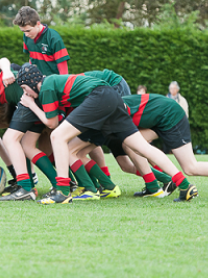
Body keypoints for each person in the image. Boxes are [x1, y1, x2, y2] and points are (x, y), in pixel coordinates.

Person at [17, 65, 198, 204]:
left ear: (32, 83)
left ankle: (62, 192)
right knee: (142, 147)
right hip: (111, 97)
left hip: (100, 96)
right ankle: (184, 185)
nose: (27, 94)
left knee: (57, 136)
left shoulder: (46, 86)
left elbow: (52, 123)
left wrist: (31, 105)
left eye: (26, 90)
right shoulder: (51, 82)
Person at [122, 93, 208, 199]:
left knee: (190, 167)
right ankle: (164, 181)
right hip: (160, 118)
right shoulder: (111, 104)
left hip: (170, 116)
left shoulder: (114, 107)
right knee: (130, 144)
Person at [13, 6, 70, 76]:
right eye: (23, 31)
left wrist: (63, 82)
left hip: (53, 81)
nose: (26, 34)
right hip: (36, 81)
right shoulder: (26, 37)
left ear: (38, 24)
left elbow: (62, 64)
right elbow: (31, 57)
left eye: (28, 30)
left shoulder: (53, 37)